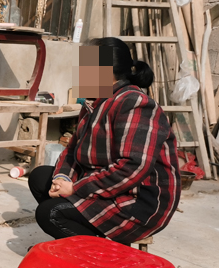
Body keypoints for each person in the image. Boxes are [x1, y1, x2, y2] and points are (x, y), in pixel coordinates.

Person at [28, 37, 181, 245]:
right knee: (40, 178)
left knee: (50, 213)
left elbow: (132, 167)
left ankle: (100, 253)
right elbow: (72, 150)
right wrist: (62, 178)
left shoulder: (135, 103)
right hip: (106, 185)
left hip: (136, 201)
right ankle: (83, 237)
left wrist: (75, 189)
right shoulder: (94, 103)